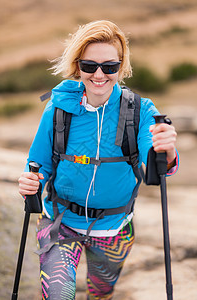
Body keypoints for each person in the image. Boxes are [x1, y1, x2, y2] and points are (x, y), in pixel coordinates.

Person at [18, 20, 178, 300]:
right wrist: (29, 180)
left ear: (121, 65)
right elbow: (38, 164)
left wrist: (166, 149)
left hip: (115, 229)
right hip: (60, 222)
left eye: (110, 66)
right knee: (57, 295)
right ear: (77, 66)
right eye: (89, 66)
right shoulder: (57, 109)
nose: (99, 74)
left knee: (100, 295)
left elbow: (156, 165)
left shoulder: (140, 111)